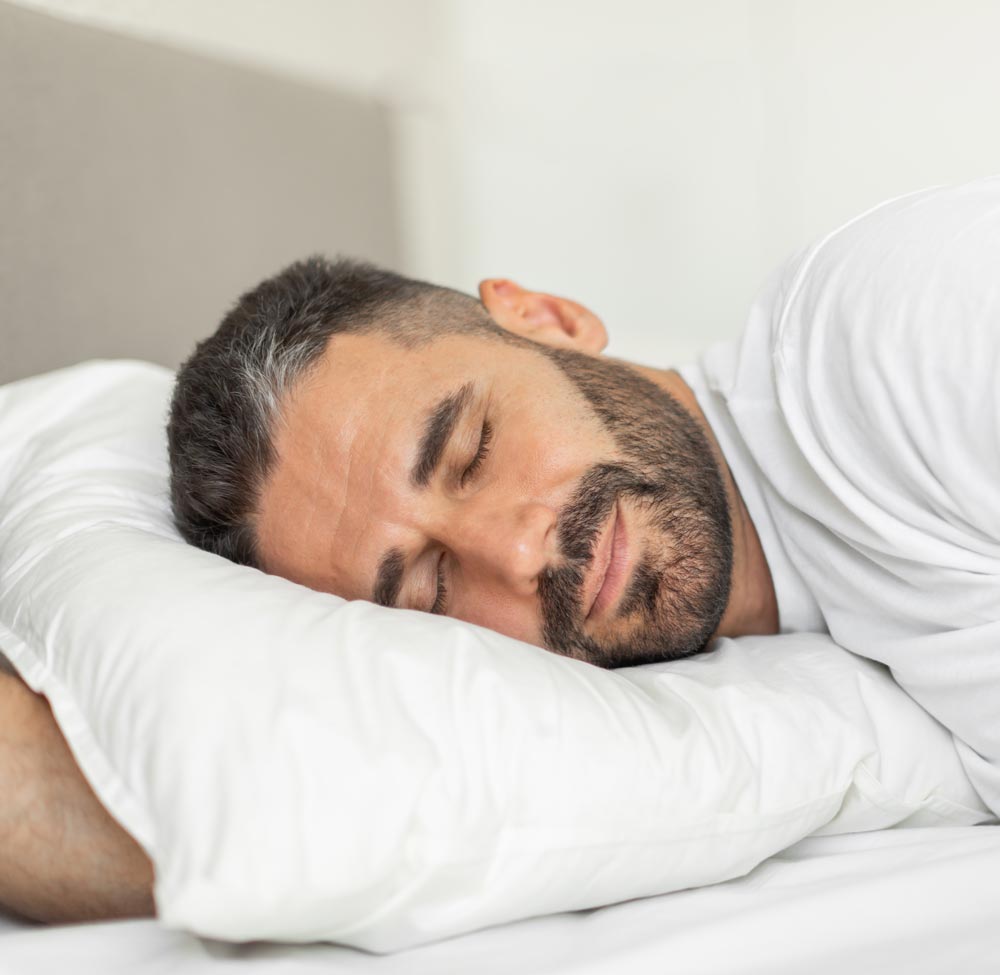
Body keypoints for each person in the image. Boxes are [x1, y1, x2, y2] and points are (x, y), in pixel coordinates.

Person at [2, 177, 997, 923]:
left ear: (548, 319)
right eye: (429, 587)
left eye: (472, 449)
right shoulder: (799, 654)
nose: (518, 553)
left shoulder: (896, 331)